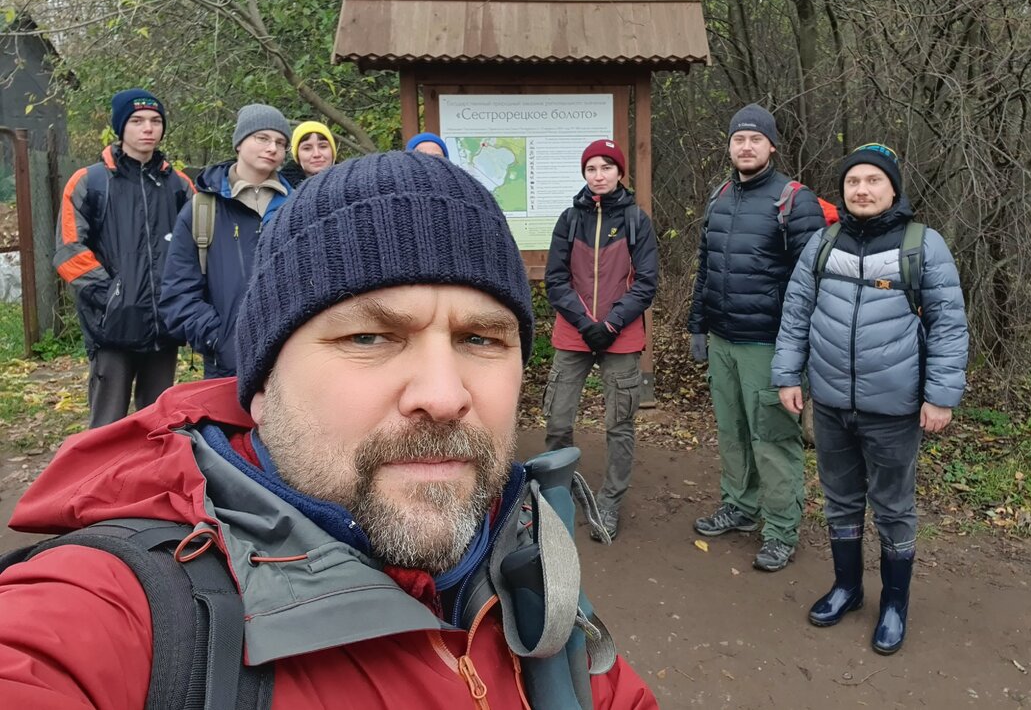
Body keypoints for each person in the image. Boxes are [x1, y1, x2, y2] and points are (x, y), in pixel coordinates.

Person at [0, 151, 657, 709]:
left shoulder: (537, 583)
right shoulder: (120, 617)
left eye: (482, 338)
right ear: (260, 388)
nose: (443, 395)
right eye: (370, 336)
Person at [771, 142, 968, 654]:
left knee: (894, 507)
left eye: (873, 181)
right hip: (832, 403)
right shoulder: (822, 242)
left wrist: (940, 396)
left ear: (893, 188)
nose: (862, 189)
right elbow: (795, 313)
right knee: (839, 500)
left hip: (895, 408)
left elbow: (948, 326)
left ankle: (895, 603)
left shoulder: (922, 246)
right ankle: (847, 588)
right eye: (853, 181)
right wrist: (788, 376)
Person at [687, 103, 827, 572]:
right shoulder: (721, 196)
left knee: (773, 439)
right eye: (738, 139)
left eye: (755, 139)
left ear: (771, 145)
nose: (745, 147)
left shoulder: (794, 200)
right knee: (733, 433)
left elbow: (810, 285)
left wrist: (797, 354)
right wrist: (697, 326)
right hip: (724, 340)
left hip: (768, 346)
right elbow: (706, 268)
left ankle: (782, 529)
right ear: (730, 146)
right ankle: (741, 507)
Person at [54, 88, 194, 428]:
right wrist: (113, 298)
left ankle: (150, 482)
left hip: (165, 326)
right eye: (137, 121)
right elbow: (69, 250)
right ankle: (97, 481)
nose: (147, 128)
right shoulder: (91, 181)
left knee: (159, 423)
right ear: (121, 127)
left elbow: (198, 248)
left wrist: (184, 299)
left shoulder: (180, 185)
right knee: (106, 425)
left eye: (155, 121)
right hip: (112, 329)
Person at [543, 139, 658, 542]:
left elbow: (646, 283)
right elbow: (555, 280)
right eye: (592, 168)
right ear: (584, 174)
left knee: (619, 424)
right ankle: (557, 491)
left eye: (607, 167)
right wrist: (583, 320)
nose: (599, 174)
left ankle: (610, 501)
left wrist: (609, 324)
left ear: (619, 173)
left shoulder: (635, 220)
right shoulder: (568, 219)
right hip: (573, 331)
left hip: (620, 334)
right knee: (558, 419)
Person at [160, 104, 293, 378]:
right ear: (239, 143)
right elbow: (178, 293)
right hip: (226, 370)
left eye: (280, 143)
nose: (272, 148)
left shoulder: (298, 207)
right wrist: (220, 340)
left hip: (293, 364)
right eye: (262, 138)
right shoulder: (201, 210)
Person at [281, 120, 337, 186]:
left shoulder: (349, 182)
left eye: (323, 146)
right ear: (297, 155)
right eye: (307, 148)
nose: (317, 154)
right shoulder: (281, 188)